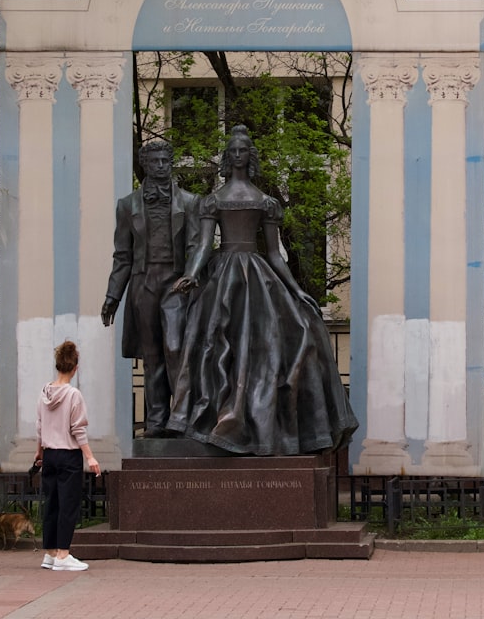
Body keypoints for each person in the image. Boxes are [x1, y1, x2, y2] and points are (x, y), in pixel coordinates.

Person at [165, 125, 358, 455]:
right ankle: (213, 418)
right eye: (233, 151)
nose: (237, 155)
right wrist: (192, 274)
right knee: (215, 342)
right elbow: (202, 246)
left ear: (250, 157)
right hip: (222, 274)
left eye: (243, 150)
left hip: (258, 274)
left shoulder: (266, 202)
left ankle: (268, 424)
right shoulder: (213, 201)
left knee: (289, 335)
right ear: (227, 158)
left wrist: (297, 291)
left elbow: (273, 254)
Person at [102, 140, 200, 438]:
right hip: (143, 282)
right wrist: (112, 296)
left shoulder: (190, 202)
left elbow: (196, 246)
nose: (160, 166)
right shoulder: (127, 205)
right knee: (152, 354)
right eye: (155, 161)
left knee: (175, 348)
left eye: (165, 161)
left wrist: (192, 275)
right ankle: (157, 419)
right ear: (144, 164)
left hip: (176, 283)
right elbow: (122, 256)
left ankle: (183, 416)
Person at [34, 340, 101, 571]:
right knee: (68, 505)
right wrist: (90, 457)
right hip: (69, 455)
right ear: (75, 368)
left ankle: (50, 553)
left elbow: (40, 426)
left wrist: (39, 451)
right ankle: (63, 554)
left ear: (57, 366)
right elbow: (78, 429)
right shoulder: (74, 395)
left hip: (49, 454)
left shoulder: (45, 392)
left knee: (51, 503)